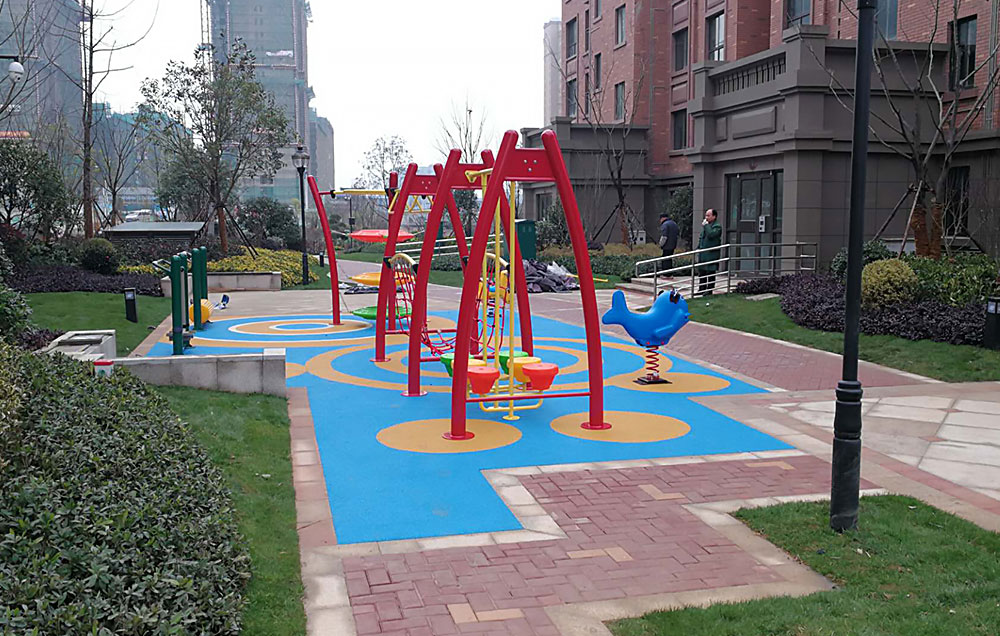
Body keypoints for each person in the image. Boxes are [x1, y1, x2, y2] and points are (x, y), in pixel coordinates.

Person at [696, 208, 722, 294]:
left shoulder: (717, 226)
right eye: (706, 215)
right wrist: (698, 247)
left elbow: (711, 234)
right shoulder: (706, 227)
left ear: (714, 216)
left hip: (711, 254)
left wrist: (706, 226)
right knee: (702, 272)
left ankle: (709, 290)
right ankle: (702, 289)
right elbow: (702, 238)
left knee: (710, 272)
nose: (706, 217)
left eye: (708, 215)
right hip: (703, 253)